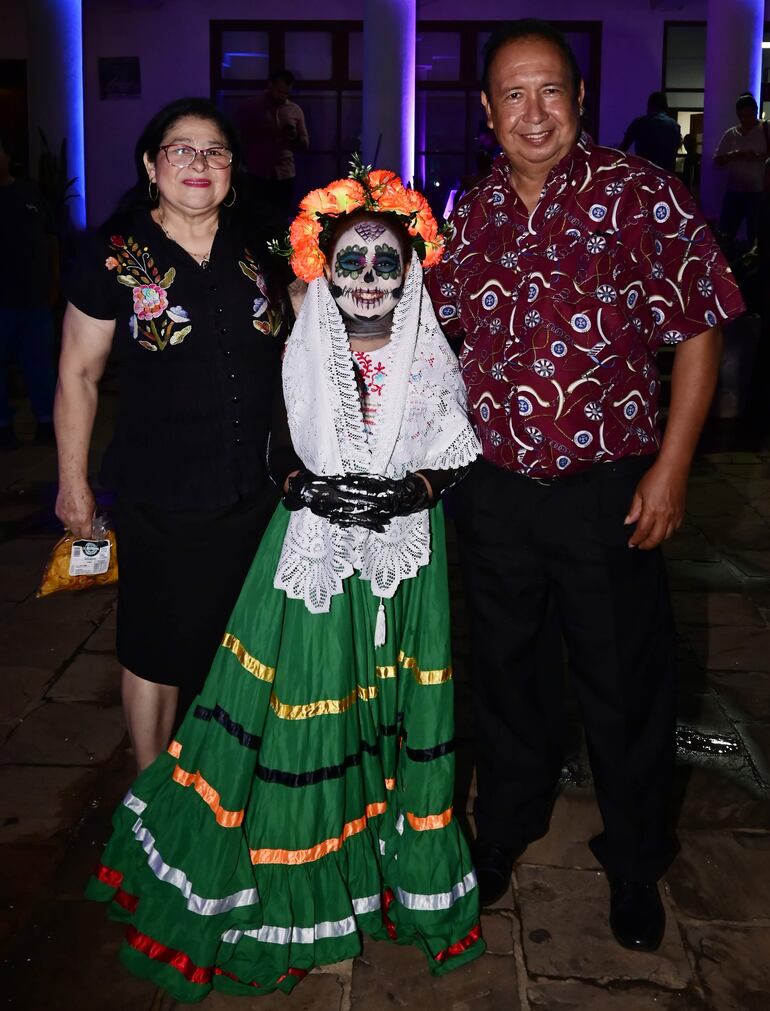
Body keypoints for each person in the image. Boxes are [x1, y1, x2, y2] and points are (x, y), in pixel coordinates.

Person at [86, 165, 484, 1000]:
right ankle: (299, 882)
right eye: (353, 263)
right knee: (312, 703)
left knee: (394, 710)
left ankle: (383, 865)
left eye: (387, 264)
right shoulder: (297, 340)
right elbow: (268, 445)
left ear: (411, 269)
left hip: (406, 560)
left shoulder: (429, 345)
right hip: (313, 556)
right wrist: (308, 487)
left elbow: (454, 443)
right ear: (323, 267)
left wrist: (414, 489)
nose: (370, 280)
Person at [425, 19, 745, 953]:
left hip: (607, 488)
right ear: (487, 111)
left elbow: (698, 329)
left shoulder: (639, 196)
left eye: (550, 91)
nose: (534, 113)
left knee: (623, 680)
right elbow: (435, 345)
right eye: (513, 95)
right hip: (494, 490)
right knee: (508, 675)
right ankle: (508, 826)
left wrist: (673, 467)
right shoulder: (470, 212)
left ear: (579, 100)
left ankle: (637, 856)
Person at [55, 98, 286, 770]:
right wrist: (74, 485)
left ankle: (229, 786)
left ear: (232, 169)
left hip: (257, 493)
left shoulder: (262, 246)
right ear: (151, 166)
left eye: (214, 150)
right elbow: (77, 374)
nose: (199, 162)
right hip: (162, 496)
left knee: (245, 648)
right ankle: (151, 793)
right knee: (156, 651)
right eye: (181, 149)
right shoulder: (115, 256)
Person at [0, 132, 58, 449]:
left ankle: (46, 421)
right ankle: (3, 425)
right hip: (3, 302)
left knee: (40, 364)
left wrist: (55, 282)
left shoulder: (29, 194)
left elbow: (50, 239)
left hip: (35, 299)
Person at [237, 69, 310, 215]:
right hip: (256, 173)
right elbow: (238, 136)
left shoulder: (294, 110)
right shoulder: (251, 107)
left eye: (286, 93)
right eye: (279, 91)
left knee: (281, 218)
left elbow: (305, 144)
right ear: (270, 85)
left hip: (285, 174)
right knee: (256, 219)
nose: (282, 96)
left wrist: (293, 137)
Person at [714, 92, 769, 245]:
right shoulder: (731, 134)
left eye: (750, 115)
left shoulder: (766, 129)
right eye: (743, 116)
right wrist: (734, 155)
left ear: (756, 112)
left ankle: (754, 265)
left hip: (759, 192)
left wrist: (757, 156)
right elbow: (717, 160)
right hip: (735, 190)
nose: (747, 120)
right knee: (725, 233)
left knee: (757, 235)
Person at [619, 91, 681, 172]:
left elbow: (622, 149)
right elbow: (675, 150)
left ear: (649, 106)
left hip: (645, 173)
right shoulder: (674, 125)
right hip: (666, 174)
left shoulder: (639, 122)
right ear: (666, 106)